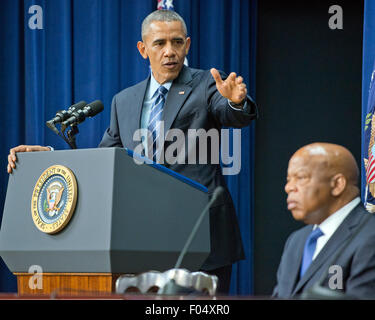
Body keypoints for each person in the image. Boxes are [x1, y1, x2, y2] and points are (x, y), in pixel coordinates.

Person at [7, 10, 258, 294]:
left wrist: (236, 103)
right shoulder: (123, 101)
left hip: (201, 238)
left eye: (177, 42)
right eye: (159, 43)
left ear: (187, 45)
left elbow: (230, 112)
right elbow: (103, 164)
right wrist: (47, 158)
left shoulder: (206, 84)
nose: (169, 52)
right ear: (143, 49)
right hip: (141, 241)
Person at [273, 142, 375, 299]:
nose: (289, 187)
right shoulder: (296, 240)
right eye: (288, 179)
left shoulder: (370, 236)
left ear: (337, 184)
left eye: (300, 177)